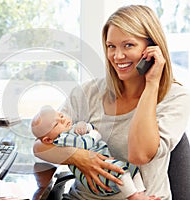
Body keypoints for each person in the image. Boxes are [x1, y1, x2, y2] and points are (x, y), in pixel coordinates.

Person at [33, 4, 190, 200]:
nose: (117, 56)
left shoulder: (175, 97)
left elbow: (138, 155)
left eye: (128, 45)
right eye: (111, 46)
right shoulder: (89, 92)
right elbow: (40, 147)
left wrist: (151, 85)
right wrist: (79, 157)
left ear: (151, 49)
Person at [31, 105, 148, 199]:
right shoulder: (62, 139)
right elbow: (85, 143)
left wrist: (87, 127)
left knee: (131, 168)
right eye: (56, 124)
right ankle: (133, 196)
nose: (63, 120)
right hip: (99, 179)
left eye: (61, 116)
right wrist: (94, 134)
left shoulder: (71, 130)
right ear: (48, 139)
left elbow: (89, 128)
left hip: (105, 168)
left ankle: (141, 193)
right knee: (120, 171)